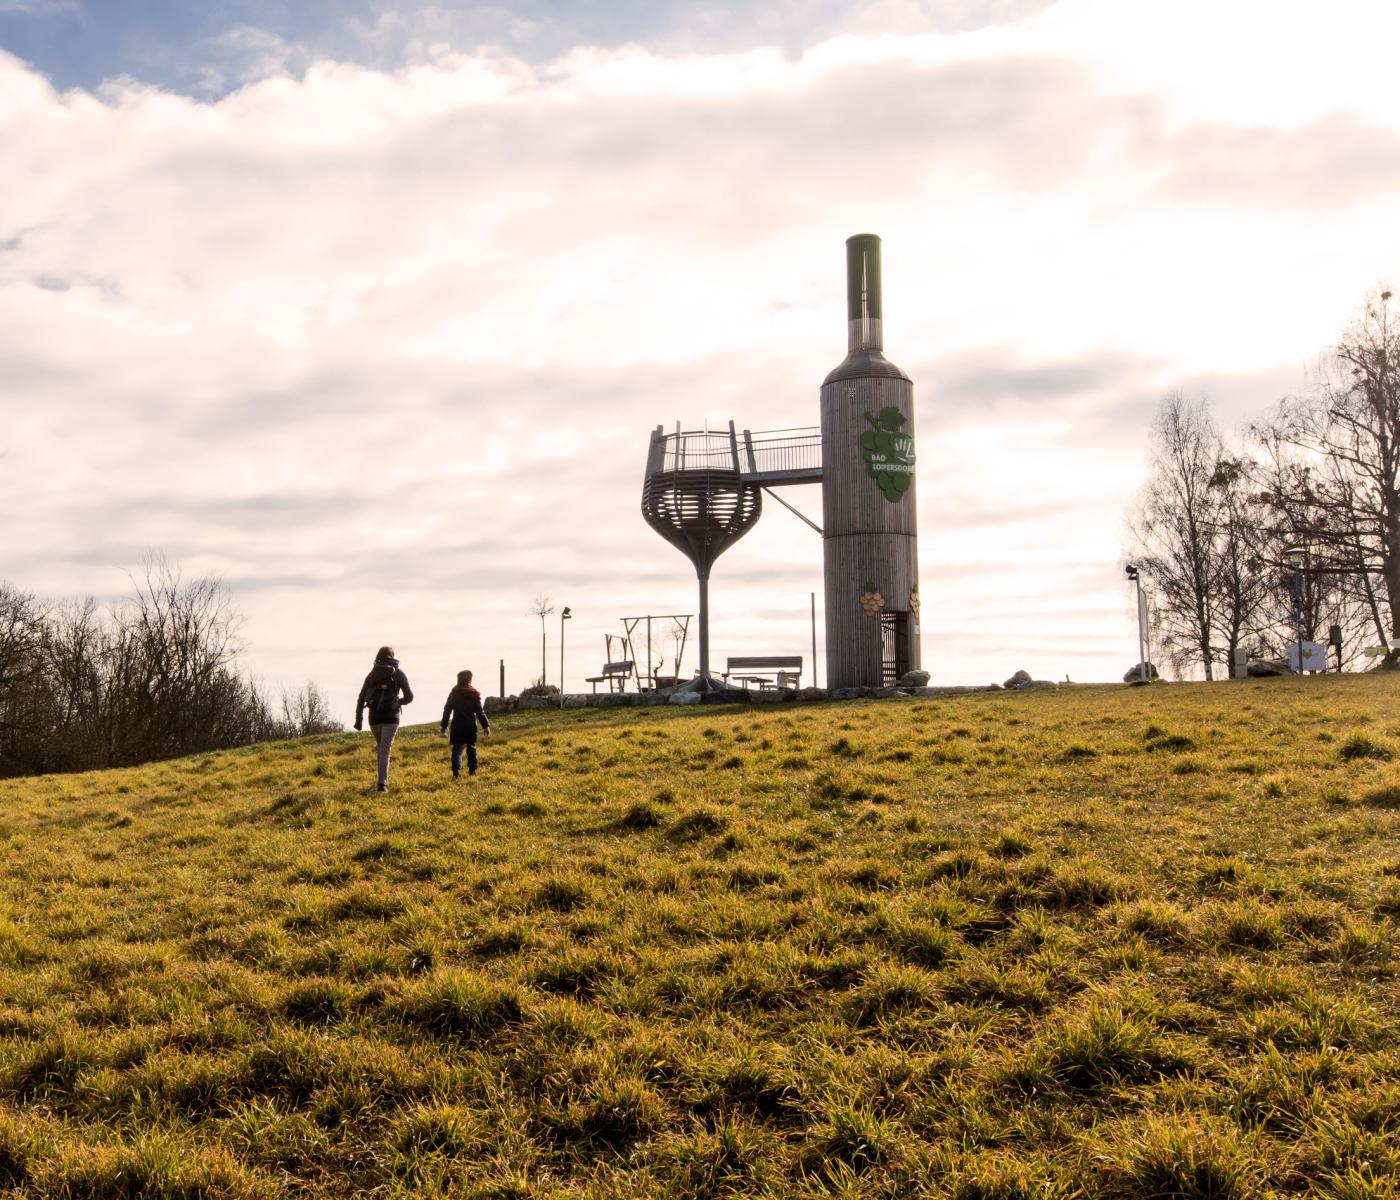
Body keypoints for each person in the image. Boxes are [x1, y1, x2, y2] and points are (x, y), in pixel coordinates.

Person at [354, 646, 413, 792]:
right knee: (385, 749)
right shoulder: (398, 673)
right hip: (391, 717)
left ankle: (381, 780)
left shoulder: (371, 674)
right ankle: (382, 784)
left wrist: (359, 720)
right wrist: (398, 702)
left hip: (374, 718)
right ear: (392, 657)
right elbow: (409, 696)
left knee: (381, 748)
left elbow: (361, 698)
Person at [440, 669, 490, 779]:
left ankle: (456, 772)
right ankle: (473, 771)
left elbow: (447, 710)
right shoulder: (474, 694)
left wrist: (444, 726)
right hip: (470, 726)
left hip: (457, 726)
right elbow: (480, 712)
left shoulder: (454, 693)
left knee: (457, 749)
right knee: (471, 747)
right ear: (469, 680)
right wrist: (486, 726)